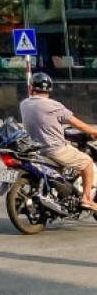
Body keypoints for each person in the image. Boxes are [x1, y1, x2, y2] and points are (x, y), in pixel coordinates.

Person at [20, 72, 97, 211]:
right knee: (87, 163)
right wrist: (93, 132)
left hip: (35, 149)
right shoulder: (54, 106)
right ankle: (86, 198)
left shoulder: (24, 104)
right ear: (50, 89)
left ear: (31, 88)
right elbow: (77, 124)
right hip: (54, 149)